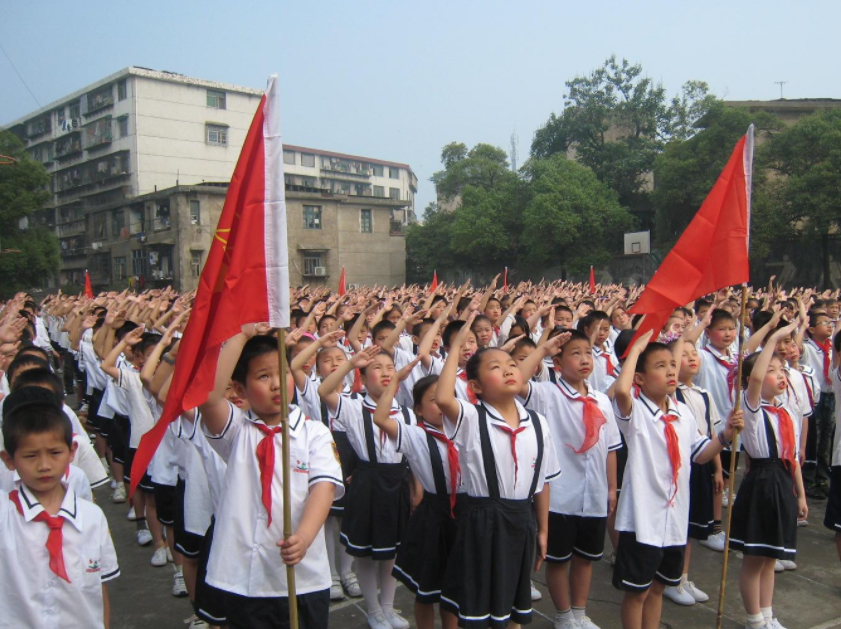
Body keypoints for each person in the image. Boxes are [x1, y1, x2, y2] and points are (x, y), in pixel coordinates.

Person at [199, 326, 343, 629]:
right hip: (246, 579)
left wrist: (303, 536)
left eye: (283, 373)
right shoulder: (236, 431)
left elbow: (324, 488)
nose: (277, 384)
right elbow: (209, 398)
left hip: (301, 577)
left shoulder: (313, 432)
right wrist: (240, 335)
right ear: (239, 389)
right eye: (264, 377)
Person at [436, 313, 561, 629]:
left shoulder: (538, 423)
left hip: (521, 519)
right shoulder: (470, 418)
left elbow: (542, 483)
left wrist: (543, 530)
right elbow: (442, 397)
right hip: (482, 520)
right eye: (495, 367)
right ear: (475, 386)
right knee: (478, 608)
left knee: (512, 607)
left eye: (511, 366)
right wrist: (455, 349)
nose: (507, 370)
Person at [611, 332, 743, 629]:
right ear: (640, 379)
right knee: (637, 591)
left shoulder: (682, 412)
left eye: (673, 364)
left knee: (659, 587)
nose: (671, 371)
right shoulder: (636, 412)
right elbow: (621, 391)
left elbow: (700, 454)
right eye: (660, 366)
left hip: (674, 518)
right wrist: (637, 351)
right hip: (642, 519)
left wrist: (725, 437)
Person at [516, 329, 620, 629]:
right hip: (560, 495)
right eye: (575, 353)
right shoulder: (548, 394)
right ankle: (563, 615)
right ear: (557, 363)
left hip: (595, 493)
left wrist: (611, 489)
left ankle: (579, 611)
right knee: (559, 560)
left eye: (588, 352)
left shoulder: (601, 399)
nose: (585, 359)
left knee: (586, 558)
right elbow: (517, 381)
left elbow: (611, 448)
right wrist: (543, 349)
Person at [0, 387, 119, 629]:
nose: (44, 465)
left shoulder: (92, 517)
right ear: (9, 460)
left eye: (54, 453)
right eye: (31, 456)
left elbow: (99, 587)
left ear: (71, 452)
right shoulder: (5, 515)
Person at [319, 345, 415, 629]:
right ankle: (373, 610)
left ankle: (387, 606)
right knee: (365, 550)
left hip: (397, 482)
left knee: (392, 551)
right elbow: (325, 391)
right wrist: (349, 365)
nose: (385, 373)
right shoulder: (352, 407)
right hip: (368, 482)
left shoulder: (407, 414)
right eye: (377, 368)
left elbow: (413, 454)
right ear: (363, 375)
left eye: (390, 369)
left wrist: (415, 487)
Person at [730, 322, 807, 629]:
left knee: (771, 558)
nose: (780, 376)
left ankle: (768, 614)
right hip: (761, 480)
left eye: (783, 370)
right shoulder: (752, 407)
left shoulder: (786, 412)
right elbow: (758, 376)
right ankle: (754, 619)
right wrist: (774, 338)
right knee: (754, 557)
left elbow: (794, 458)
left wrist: (800, 494)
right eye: (774, 370)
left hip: (783, 480)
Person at [373, 372, 461, 629]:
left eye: (449, 398)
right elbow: (380, 418)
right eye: (435, 400)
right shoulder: (416, 435)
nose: (444, 405)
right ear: (419, 410)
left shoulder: (467, 432)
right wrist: (394, 383)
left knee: (453, 589)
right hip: (433, 518)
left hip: (463, 517)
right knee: (426, 590)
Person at [663, 337, 723, 605]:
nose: (691, 358)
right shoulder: (672, 395)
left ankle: (683, 577)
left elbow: (711, 434)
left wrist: (718, 469)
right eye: (683, 355)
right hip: (677, 463)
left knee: (688, 528)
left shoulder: (704, 394)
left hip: (700, 461)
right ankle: (670, 578)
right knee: (675, 524)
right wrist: (686, 330)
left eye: (693, 353)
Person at [801, 309, 835, 498]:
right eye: (824, 322)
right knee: (814, 437)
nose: (829, 325)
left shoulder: (832, 347)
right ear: (812, 329)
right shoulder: (807, 348)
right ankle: (809, 478)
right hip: (814, 398)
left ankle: (822, 477)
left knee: (826, 440)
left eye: (831, 322)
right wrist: (801, 326)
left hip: (830, 396)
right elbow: (796, 348)